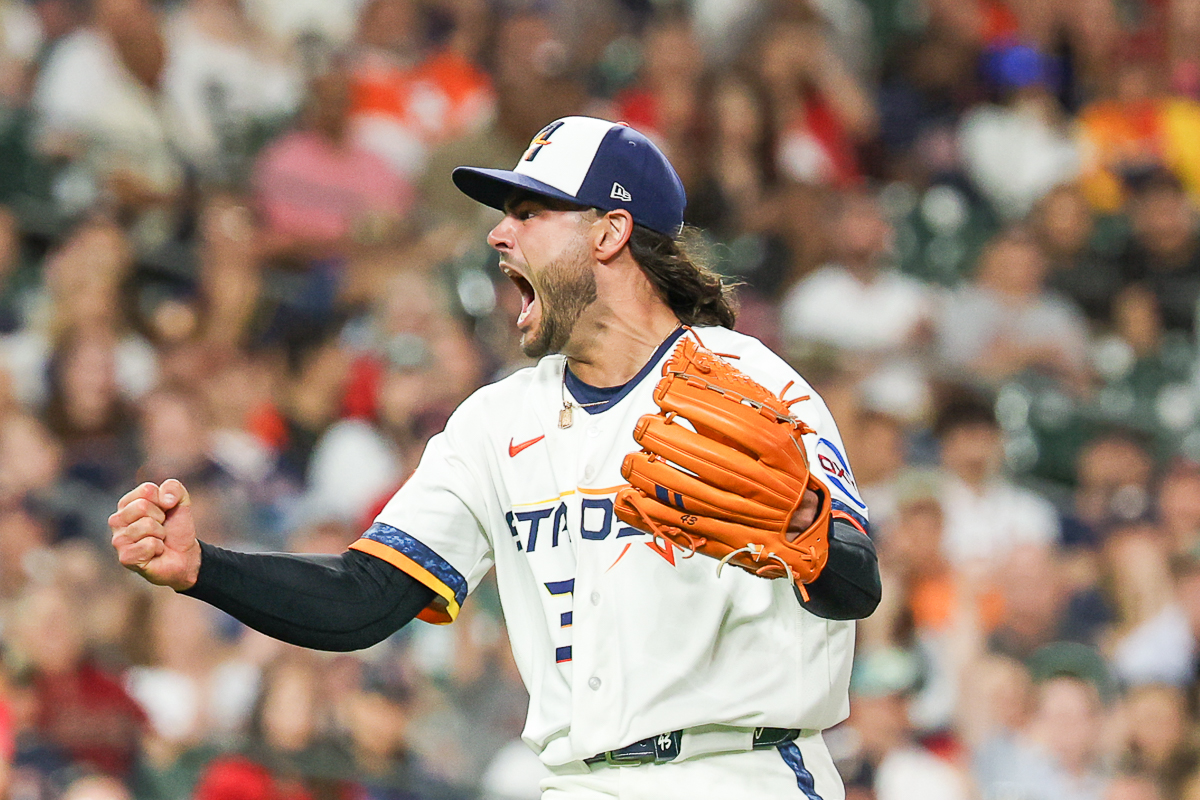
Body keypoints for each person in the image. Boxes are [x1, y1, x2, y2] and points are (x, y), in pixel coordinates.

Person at [109, 116, 881, 799]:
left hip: (737, 776)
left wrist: (807, 525)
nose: (497, 234)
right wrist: (203, 566)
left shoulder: (750, 385)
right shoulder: (497, 421)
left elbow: (856, 581)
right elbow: (364, 596)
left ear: (610, 233)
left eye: (529, 212)